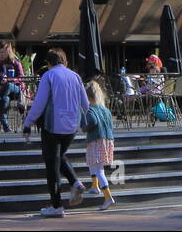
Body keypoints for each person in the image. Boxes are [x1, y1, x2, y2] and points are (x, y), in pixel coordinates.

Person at [22, 47, 89, 218]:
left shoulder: (49, 76)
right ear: (64, 61)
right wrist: (83, 121)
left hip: (53, 125)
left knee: (52, 166)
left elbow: (39, 103)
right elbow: (85, 103)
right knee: (59, 156)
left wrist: (28, 123)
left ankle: (56, 205)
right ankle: (75, 182)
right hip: (71, 126)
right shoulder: (75, 76)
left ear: (49, 63)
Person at [80, 81, 116, 210]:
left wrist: (83, 125)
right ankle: (95, 186)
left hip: (96, 141)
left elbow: (91, 122)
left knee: (99, 170)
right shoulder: (105, 109)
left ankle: (108, 197)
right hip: (107, 140)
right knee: (92, 163)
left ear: (87, 97)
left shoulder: (89, 110)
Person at [0, 43, 26, 132]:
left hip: (16, 90)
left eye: (3, 52)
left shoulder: (16, 64)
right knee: (4, 99)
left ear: (9, 52)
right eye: (0, 52)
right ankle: (6, 126)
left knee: (8, 85)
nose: (1, 54)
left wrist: (9, 80)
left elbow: (21, 79)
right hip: (2, 92)